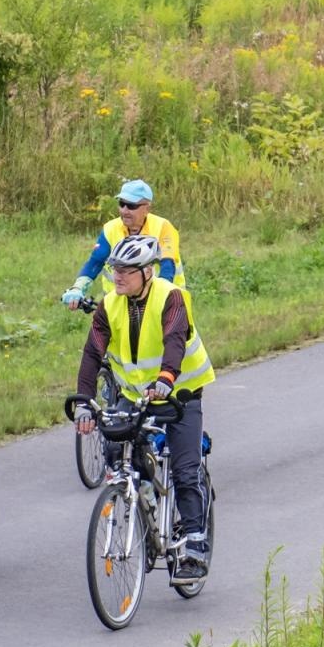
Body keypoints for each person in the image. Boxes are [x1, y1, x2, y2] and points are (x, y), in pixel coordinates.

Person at [74, 235, 215, 579]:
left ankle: (195, 548)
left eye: (126, 270)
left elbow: (174, 339)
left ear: (147, 272)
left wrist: (166, 377)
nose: (117, 276)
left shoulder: (170, 296)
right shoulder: (110, 304)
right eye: (115, 269)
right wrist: (83, 402)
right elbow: (92, 353)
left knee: (184, 470)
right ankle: (145, 499)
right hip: (136, 393)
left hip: (180, 392)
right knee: (116, 451)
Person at [62, 180, 184, 308]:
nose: (125, 211)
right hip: (119, 304)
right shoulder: (110, 229)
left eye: (131, 206)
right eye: (121, 204)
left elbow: (167, 265)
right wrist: (78, 288)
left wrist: (161, 295)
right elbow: (95, 262)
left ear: (147, 208)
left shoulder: (163, 227)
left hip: (163, 301)